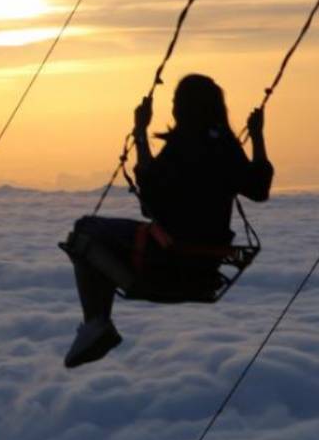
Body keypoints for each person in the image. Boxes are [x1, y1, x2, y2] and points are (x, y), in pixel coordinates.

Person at [62, 74, 273, 368]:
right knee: (99, 233)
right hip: (205, 268)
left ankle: (97, 323)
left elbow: (151, 199)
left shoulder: (181, 146)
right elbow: (259, 189)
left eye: (175, 102)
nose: (172, 108)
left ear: (185, 109)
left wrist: (139, 132)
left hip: (167, 259)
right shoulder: (226, 145)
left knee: (85, 229)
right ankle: (97, 324)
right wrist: (258, 135)